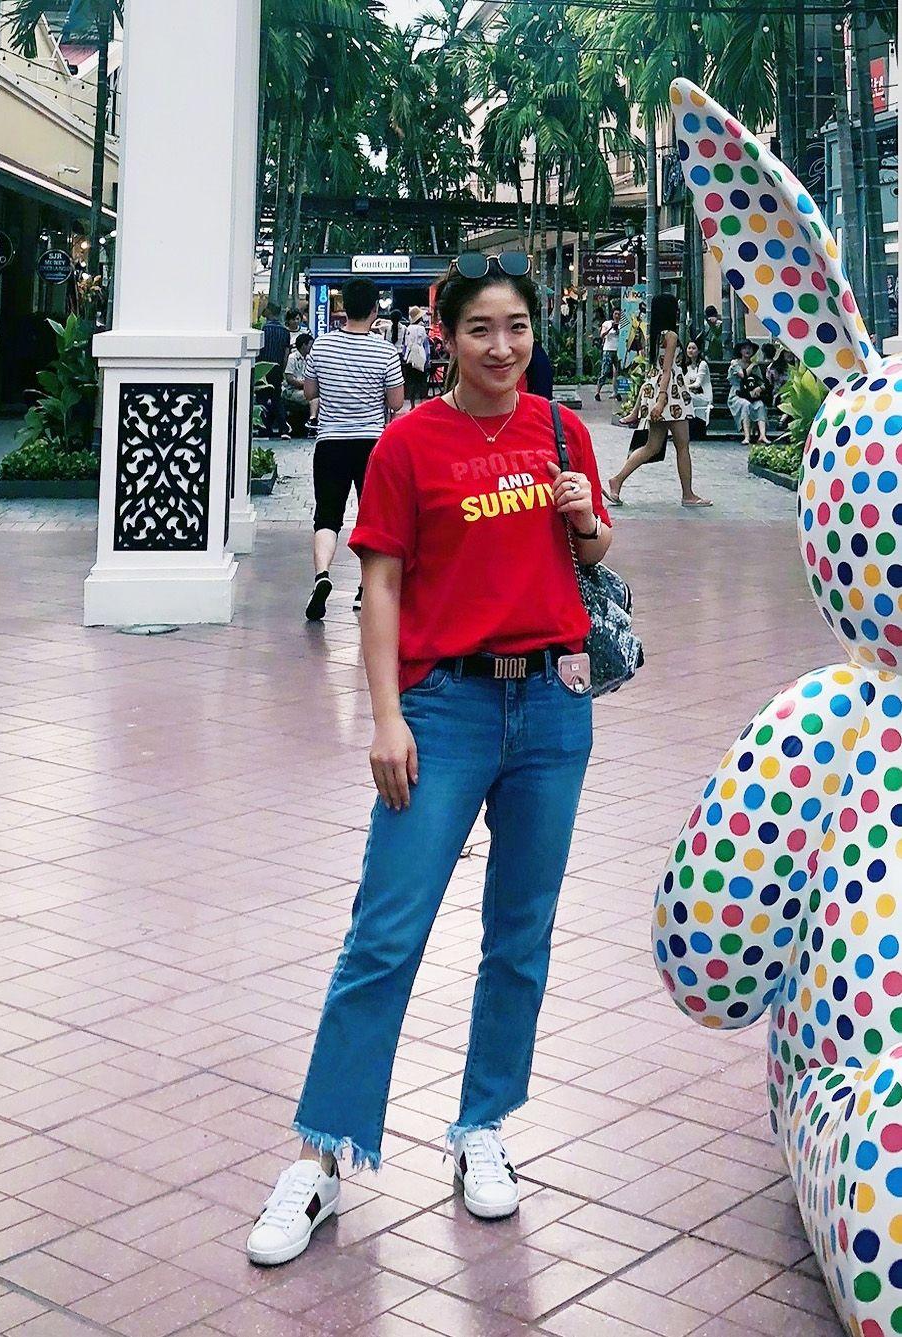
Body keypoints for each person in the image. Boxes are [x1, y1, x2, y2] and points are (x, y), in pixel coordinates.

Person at [245, 255, 613, 1269]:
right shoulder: (409, 444)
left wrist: (582, 517)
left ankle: (482, 1124)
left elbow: (589, 557)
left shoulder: (559, 429)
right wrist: (386, 718)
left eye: (516, 327)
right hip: (443, 710)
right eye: (480, 328)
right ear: (442, 336)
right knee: (385, 932)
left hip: (552, 706)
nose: (502, 346)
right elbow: (382, 588)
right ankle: (319, 1155)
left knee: (520, 933)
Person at [302, 277, 405, 620]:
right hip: (371, 445)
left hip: (330, 443)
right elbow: (396, 402)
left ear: (344, 306)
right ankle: (363, 589)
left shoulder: (321, 346)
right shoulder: (385, 352)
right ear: (375, 309)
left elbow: (309, 392)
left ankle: (322, 575)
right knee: (370, 517)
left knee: (327, 515)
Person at [604, 292, 711, 507]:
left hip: (656, 389)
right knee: (682, 445)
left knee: (652, 446)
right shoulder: (671, 335)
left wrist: (639, 408)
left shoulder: (654, 335)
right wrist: (662, 400)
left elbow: (653, 372)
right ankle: (688, 494)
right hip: (671, 394)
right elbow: (667, 370)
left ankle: (617, 480)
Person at [727, 340, 769, 445]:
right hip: (737, 395)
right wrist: (752, 364)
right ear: (740, 351)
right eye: (745, 348)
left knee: (760, 405)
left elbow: (762, 383)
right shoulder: (735, 364)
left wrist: (759, 388)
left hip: (752, 396)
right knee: (745, 405)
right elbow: (743, 375)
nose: (747, 350)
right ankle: (747, 436)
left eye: (749, 348)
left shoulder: (755, 367)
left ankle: (762, 436)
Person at [259, 303, 291, 439]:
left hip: (263, 368)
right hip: (277, 368)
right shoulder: (285, 331)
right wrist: (282, 370)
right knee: (276, 398)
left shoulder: (264, 330)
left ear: (269, 311)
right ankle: (283, 427)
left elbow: (259, 350)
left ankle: (264, 427)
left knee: (262, 398)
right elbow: (286, 354)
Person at [284, 332, 316, 435]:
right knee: (312, 398)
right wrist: (305, 384)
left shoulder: (310, 359)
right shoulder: (292, 358)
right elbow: (289, 379)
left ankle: (314, 422)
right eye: (310, 345)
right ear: (304, 345)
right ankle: (312, 423)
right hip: (292, 391)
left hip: (305, 388)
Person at [401, 305, 430, 408]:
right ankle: (422, 403)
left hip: (410, 356)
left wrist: (405, 356)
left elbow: (405, 345)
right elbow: (426, 345)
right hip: (419, 354)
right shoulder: (422, 329)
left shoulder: (408, 328)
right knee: (421, 380)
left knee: (411, 380)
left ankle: (412, 404)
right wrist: (428, 359)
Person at [683, 339, 713, 441]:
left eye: (693, 348)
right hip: (691, 395)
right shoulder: (686, 366)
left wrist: (685, 387)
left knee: (685, 397)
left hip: (704, 396)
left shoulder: (702, 364)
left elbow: (697, 384)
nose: (691, 350)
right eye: (689, 348)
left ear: (699, 351)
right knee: (683, 397)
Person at [594, 308, 621, 401]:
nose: (617, 316)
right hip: (608, 350)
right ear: (612, 314)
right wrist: (611, 328)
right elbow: (602, 335)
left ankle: (616, 392)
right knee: (605, 371)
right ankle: (597, 392)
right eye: (615, 314)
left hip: (618, 351)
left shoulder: (622, 325)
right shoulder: (607, 323)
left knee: (617, 372)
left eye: (619, 314)